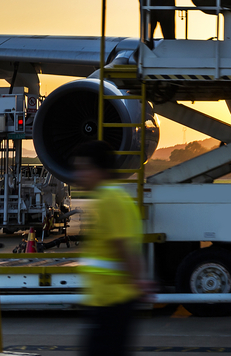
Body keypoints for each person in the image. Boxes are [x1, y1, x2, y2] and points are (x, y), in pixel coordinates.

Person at [73, 140, 151, 356]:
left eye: (83, 168)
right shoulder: (112, 197)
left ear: (98, 170)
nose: (79, 175)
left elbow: (124, 247)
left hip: (111, 303)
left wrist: (139, 281)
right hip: (107, 301)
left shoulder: (110, 200)